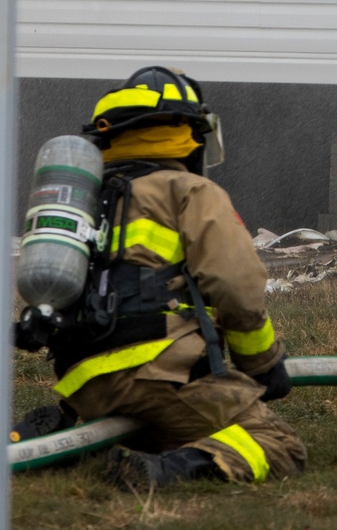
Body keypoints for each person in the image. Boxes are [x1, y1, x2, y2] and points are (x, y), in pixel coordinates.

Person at [13, 66, 306, 492]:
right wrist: (262, 364)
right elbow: (236, 286)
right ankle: (164, 472)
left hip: (83, 382)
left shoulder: (86, 200)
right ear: (185, 133)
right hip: (158, 373)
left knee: (153, 430)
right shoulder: (189, 190)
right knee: (276, 444)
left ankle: (60, 443)